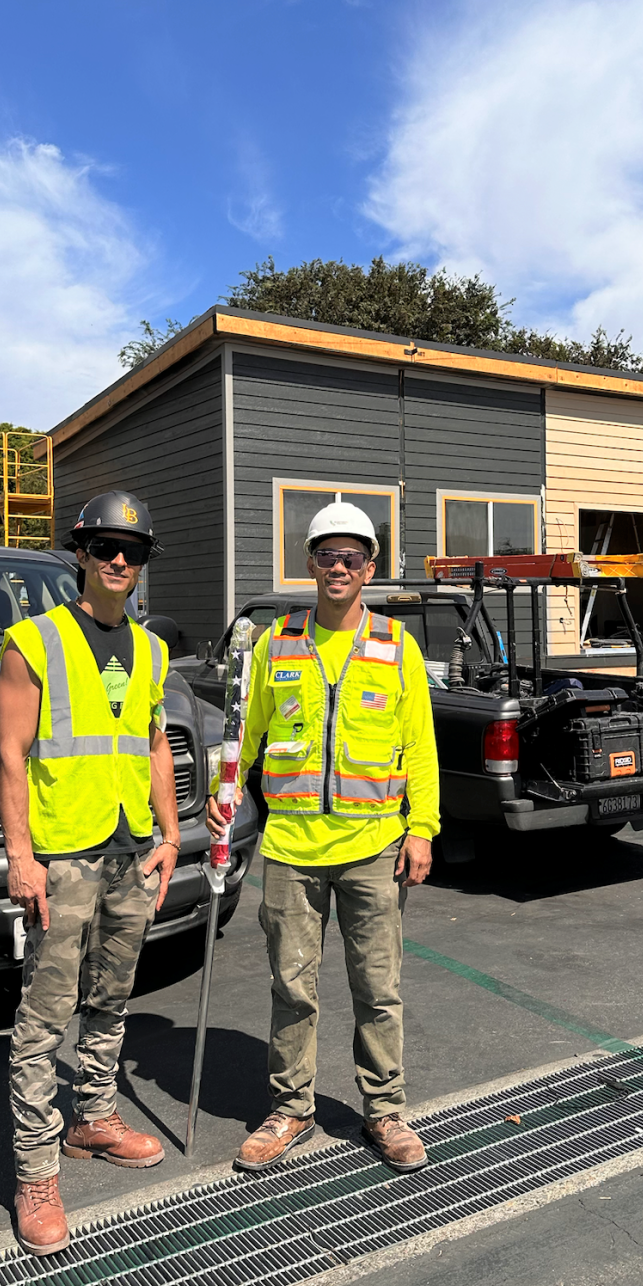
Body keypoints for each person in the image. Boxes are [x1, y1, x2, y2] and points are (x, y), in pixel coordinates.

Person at [210, 501, 440, 1175]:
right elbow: (244, 737)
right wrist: (224, 797)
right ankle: (290, 1109)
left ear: (369, 568)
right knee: (292, 988)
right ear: (308, 562)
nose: (339, 567)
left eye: (353, 557)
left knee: (378, 988)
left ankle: (385, 1112)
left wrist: (421, 829)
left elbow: (420, 749)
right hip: (290, 850)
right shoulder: (273, 643)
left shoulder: (397, 646)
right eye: (326, 555)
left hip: (374, 848)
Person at [0, 491, 181, 1257]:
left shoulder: (152, 649)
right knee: (43, 1019)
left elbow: (154, 745)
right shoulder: (31, 641)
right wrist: (20, 858)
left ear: (141, 565)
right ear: (80, 552)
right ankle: (35, 1171)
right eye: (104, 546)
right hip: (63, 856)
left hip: (131, 852)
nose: (117, 560)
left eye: (131, 551)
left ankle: (94, 1119)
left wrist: (171, 834)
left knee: (111, 997)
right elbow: (10, 755)